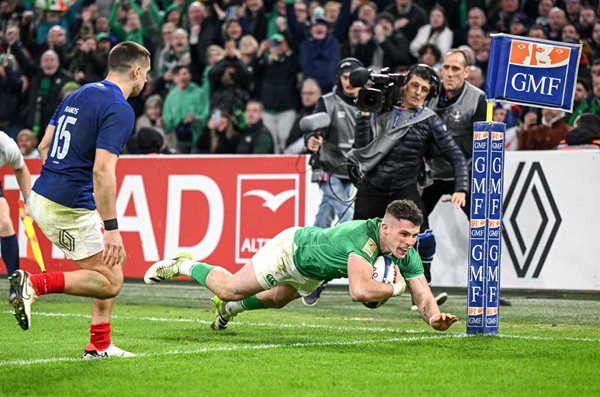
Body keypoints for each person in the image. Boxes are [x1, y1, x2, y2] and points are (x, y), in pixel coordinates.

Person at [9, 41, 151, 359]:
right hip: (67, 204)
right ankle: (33, 285)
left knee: (111, 263)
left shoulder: (79, 93)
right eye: (146, 75)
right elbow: (103, 171)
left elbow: (44, 145)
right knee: (110, 281)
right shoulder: (119, 107)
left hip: (44, 194)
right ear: (137, 70)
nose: (146, 82)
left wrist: (61, 184)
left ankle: (98, 345)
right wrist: (111, 227)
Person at [144, 199, 458, 332]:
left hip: (312, 272)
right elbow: (360, 291)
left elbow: (423, 291)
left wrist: (432, 317)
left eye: (414, 235)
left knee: (277, 300)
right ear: (386, 228)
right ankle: (182, 264)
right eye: (404, 233)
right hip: (291, 250)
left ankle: (228, 313)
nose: (410, 241)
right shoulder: (361, 239)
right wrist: (395, 286)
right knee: (230, 289)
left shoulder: (405, 249)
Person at [349, 63, 469, 310]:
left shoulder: (429, 120)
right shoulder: (380, 110)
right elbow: (362, 148)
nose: (417, 92)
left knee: (424, 240)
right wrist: (363, 113)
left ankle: (421, 294)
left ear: (429, 94)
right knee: (354, 239)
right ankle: (336, 283)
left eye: (424, 89)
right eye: (414, 85)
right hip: (373, 185)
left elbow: (456, 155)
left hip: (404, 188)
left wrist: (461, 187)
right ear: (405, 85)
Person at [424, 50, 512, 307]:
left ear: (466, 72)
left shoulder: (479, 99)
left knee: (487, 226)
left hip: (465, 171)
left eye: (455, 69)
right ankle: (422, 288)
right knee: (413, 223)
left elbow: (482, 144)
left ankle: (489, 287)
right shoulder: (429, 95)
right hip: (430, 174)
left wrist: (465, 184)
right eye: (446, 68)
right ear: (441, 70)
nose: (449, 74)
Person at [301, 57, 363, 306]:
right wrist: (312, 141)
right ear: (339, 77)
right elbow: (314, 131)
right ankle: (359, 277)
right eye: (345, 76)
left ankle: (311, 276)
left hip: (360, 171)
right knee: (347, 223)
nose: (348, 81)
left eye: (352, 76)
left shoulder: (371, 101)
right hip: (332, 169)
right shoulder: (327, 102)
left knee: (321, 224)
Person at [0, 130, 32, 304]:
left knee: (5, 223)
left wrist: (28, 202)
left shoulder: (5, 144)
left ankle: (15, 287)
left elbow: (21, 169)